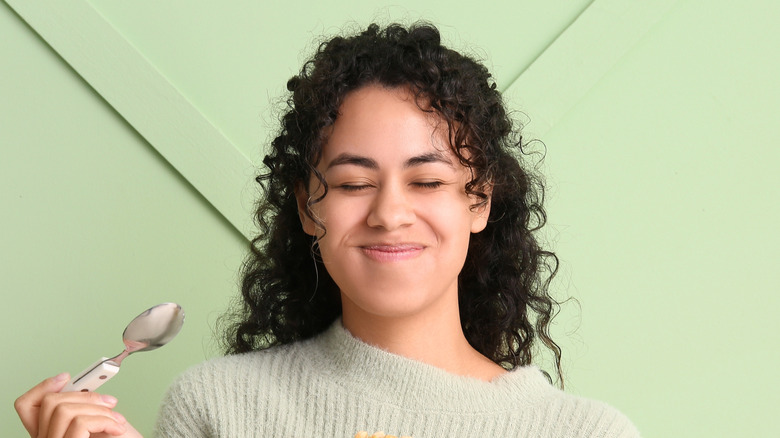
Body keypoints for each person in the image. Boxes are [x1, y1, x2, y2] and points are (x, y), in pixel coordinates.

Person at [15, 22, 640, 437]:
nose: (389, 213)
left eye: (426, 182)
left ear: (478, 201)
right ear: (308, 207)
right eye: (351, 183)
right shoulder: (218, 408)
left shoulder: (583, 432)